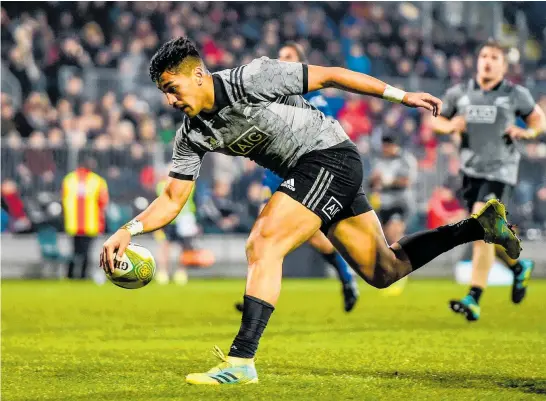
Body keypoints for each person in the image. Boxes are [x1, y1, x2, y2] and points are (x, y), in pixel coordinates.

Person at [100, 37, 521, 385]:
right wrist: (129, 229)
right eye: (164, 93)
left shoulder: (251, 78)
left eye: (173, 88)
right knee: (384, 270)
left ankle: (240, 361)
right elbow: (173, 199)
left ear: (198, 74)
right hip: (316, 169)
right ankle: (478, 226)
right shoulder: (192, 134)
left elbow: (332, 75)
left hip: (327, 155)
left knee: (263, 242)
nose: (170, 100)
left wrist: (400, 95)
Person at [235, 42, 359, 314]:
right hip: (274, 173)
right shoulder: (272, 95)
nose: (283, 61)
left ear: (301, 64)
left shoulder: (313, 97)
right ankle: (254, 294)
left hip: (304, 172)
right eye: (281, 57)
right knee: (261, 232)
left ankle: (347, 278)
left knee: (308, 236)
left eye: (289, 57)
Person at [432, 39, 546, 321]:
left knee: (480, 223)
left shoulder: (515, 94)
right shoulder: (461, 92)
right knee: (484, 231)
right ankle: (519, 267)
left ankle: (474, 297)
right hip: (471, 171)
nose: (488, 60)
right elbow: (436, 121)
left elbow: (537, 121)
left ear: (504, 66)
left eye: (494, 57)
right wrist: (449, 125)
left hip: (501, 171)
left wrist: (526, 134)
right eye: (484, 55)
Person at [369, 135, 418, 295]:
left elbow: (406, 181)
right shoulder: (379, 160)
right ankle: (389, 272)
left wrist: (386, 181)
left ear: (394, 146)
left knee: (394, 235)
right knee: (385, 241)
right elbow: (373, 182)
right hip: (383, 204)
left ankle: (400, 275)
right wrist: (374, 182)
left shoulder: (405, 159)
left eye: (387, 146)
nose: (385, 150)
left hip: (400, 203)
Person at [63, 156, 109, 279]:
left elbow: (64, 199)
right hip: (91, 223)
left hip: (73, 223)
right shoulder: (98, 181)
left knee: (74, 251)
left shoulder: (69, 179)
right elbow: (103, 202)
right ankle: (83, 276)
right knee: (86, 252)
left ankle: (70, 275)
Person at [153, 166, 199, 285]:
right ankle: (164, 272)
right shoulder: (164, 185)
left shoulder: (187, 184)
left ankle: (179, 272)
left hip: (183, 219)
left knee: (183, 247)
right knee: (166, 245)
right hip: (171, 219)